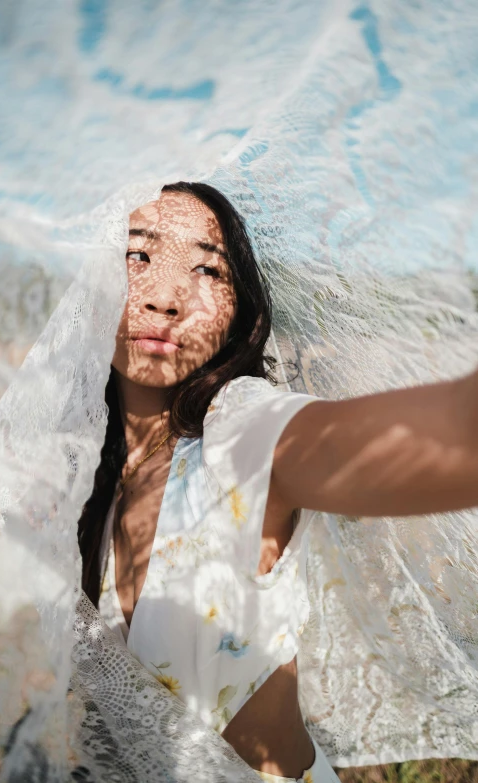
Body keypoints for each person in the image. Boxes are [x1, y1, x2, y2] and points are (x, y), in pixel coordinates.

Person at [76, 181, 478, 783]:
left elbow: (441, 436)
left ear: (240, 310)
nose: (168, 297)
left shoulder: (236, 432)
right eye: (140, 255)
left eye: (209, 270)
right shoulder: (87, 481)